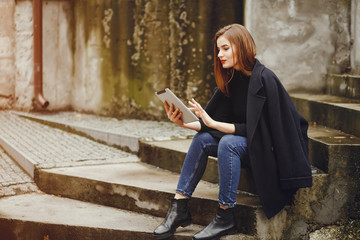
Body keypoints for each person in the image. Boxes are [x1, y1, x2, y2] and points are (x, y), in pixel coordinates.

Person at [153, 24, 312, 240]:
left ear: (242, 47)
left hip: (269, 152)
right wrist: (182, 122)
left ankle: (225, 216)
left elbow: (260, 131)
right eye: (218, 50)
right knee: (202, 139)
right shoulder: (231, 79)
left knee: (228, 142)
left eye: (225, 48)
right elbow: (208, 124)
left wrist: (214, 124)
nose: (220, 55)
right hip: (248, 146)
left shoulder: (265, 79)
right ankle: (179, 207)